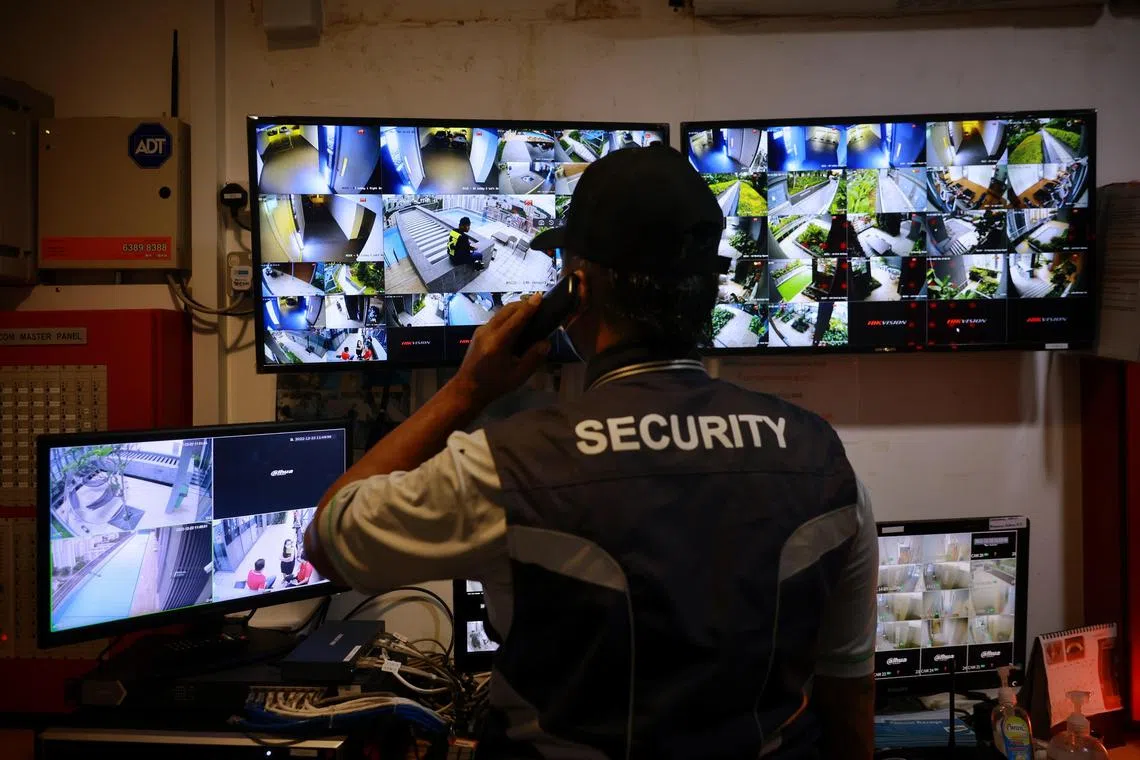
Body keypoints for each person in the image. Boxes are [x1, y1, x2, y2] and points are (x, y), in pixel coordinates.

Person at [305, 144, 877, 759]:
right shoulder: (826, 462)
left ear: (574, 293)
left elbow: (329, 540)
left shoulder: (506, 463)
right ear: (709, 291)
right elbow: (848, 696)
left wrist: (468, 390)